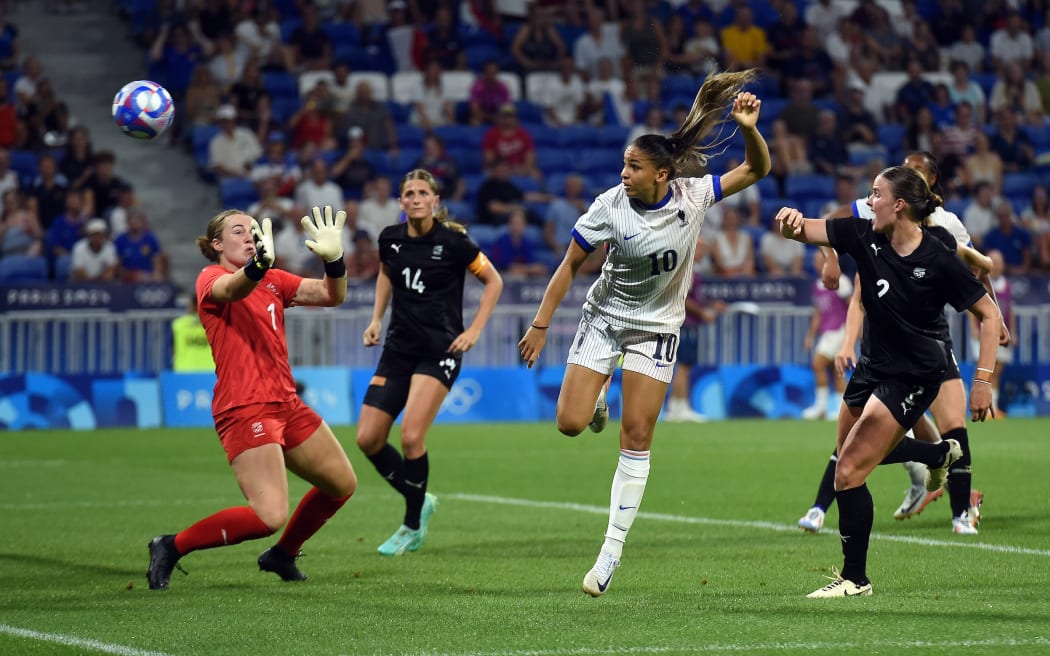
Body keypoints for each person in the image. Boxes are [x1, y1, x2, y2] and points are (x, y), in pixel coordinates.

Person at [517, 70, 770, 597]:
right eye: (624, 164)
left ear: (662, 174)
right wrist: (541, 325)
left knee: (638, 436)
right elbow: (567, 266)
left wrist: (748, 128)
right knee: (568, 423)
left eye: (634, 166)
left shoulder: (693, 195)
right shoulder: (609, 207)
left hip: (657, 329)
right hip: (605, 321)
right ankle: (598, 393)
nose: (623, 173)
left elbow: (757, 169)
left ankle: (610, 552)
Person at [775, 165, 1000, 597]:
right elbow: (808, 230)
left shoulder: (937, 256)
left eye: (875, 193)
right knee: (847, 461)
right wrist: (790, 224)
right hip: (872, 366)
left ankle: (855, 579)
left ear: (898, 204)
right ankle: (937, 454)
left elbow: (988, 315)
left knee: (850, 472)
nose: (868, 199)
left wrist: (983, 380)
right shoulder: (864, 235)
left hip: (915, 374)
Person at [146, 205, 356, 590]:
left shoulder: (274, 279)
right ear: (216, 244)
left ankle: (283, 554)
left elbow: (332, 296)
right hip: (245, 406)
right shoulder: (211, 278)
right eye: (238, 231)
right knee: (268, 515)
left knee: (341, 484)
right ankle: (171, 546)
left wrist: (334, 260)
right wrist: (258, 266)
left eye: (253, 230)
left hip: (286, 403)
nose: (249, 235)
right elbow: (234, 288)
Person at [356, 169, 503, 557]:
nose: (416, 198)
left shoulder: (454, 242)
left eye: (423, 192)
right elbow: (387, 275)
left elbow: (494, 282)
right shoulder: (390, 239)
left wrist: (473, 330)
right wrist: (375, 319)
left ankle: (411, 524)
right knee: (368, 438)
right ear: (401, 202)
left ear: (435, 201)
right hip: (398, 348)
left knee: (409, 437)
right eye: (409, 193)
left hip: (440, 350)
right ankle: (420, 498)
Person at [800, 249, 852, 420]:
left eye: (819, 259)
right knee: (835, 369)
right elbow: (818, 314)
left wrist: (854, 331)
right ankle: (839, 409)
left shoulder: (841, 281)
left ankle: (821, 406)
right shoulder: (817, 284)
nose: (815, 263)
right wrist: (809, 336)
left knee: (818, 363)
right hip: (827, 332)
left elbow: (851, 306)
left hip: (839, 330)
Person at [967, 250, 1015, 417]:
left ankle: (991, 405)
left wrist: (1013, 331)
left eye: (1000, 262)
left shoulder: (1006, 284)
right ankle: (977, 406)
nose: (998, 265)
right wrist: (974, 328)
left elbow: (1011, 310)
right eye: (995, 261)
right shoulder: (981, 282)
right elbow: (971, 306)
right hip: (984, 332)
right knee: (983, 369)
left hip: (1001, 332)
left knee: (998, 370)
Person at [171, 294, 215, 372]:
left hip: (184, 372)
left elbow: (173, 350)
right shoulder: (215, 324)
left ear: (194, 306)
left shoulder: (178, 325)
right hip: (211, 372)